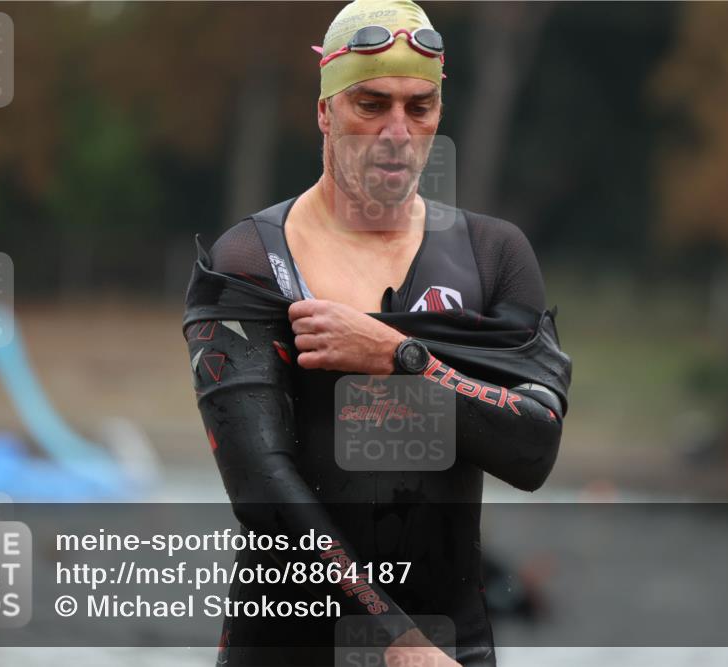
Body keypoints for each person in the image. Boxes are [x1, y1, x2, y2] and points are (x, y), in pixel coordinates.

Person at [182, 1, 572, 665]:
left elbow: (533, 447)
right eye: (371, 103)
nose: (397, 130)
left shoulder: (492, 255)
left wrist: (400, 357)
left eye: (419, 107)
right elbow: (263, 488)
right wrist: (394, 637)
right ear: (325, 112)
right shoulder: (252, 261)